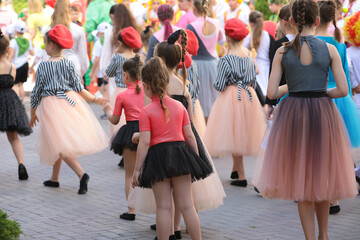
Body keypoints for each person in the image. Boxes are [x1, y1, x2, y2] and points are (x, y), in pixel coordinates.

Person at [253, 0, 358, 239]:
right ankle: (324, 235)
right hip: (323, 113)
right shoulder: (330, 49)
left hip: (293, 115)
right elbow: (343, 89)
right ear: (318, 20)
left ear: (291, 21)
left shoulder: (283, 50)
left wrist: (294, 87)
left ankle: (310, 238)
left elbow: (270, 93)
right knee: (323, 176)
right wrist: (322, 93)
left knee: (302, 183)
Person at [132, 56, 213, 240]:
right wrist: (197, 159)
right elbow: (190, 135)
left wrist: (137, 170)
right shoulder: (179, 106)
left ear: (146, 85)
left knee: (164, 207)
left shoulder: (146, 112)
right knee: (187, 205)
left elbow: (145, 142)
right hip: (180, 154)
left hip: (158, 158)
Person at [30, 24, 109, 194]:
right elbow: (79, 88)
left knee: (59, 144)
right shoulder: (69, 64)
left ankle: (82, 174)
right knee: (58, 139)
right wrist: (95, 99)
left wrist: (32, 112)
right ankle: (54, 178)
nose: (44, 48)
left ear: (51, 45)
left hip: (51, 105)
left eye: (45, 44)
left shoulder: (43, 66)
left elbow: (36, 91)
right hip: (68, 101)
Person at [205, 18, 266, 186]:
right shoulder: (249, 56)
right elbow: (254, 80)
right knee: (241, 133)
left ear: (228, 38)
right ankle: (234, 169)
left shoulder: (225, 59)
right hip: (249, 95)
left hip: (231, 96)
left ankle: (242, 176)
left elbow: (219, 84)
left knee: (234, 134)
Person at [104, 55, 144, 221]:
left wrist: (107, 109)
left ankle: (131, 209)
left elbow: (114, 119)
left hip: (130, 132)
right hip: (147, 130)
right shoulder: (147, 91)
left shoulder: (123, 96)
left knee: (130, 173)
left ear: (126, 75)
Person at [0, 30, 32, 180]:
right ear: (7, 49)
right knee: (13, 137)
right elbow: (11, 82)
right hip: (9, 101)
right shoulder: (12, 67)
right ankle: (21, 164)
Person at [187, 0, 226, 120]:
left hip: (197, 65)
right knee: (214, 97)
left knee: (199, 99)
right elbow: (222, 41)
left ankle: (201, 127)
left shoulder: (191, 26)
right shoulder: (216, 22)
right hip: (214, 64)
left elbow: (188, 47)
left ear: (194, 8)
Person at [105, 27, 142, 138]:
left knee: (120, 121)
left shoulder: (117, 58)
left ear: (120, 43)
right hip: (137, 90)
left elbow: (109, 73)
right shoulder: (138, 58)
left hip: (120, 91)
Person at [49, 0, 89, 79]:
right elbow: (83, 56)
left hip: (52, 68)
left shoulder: (48, 30)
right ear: (69, 11)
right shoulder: (78, 30)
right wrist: (81, 74)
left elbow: (45, 54)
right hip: (73, 67)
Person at [243, 11, 274, 104]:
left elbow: (243, 51)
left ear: (251, 24)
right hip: (267, 68)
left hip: (255, 67)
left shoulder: (250, 37)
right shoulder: (268, 36)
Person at [89, 22, 111, 119]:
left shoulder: (99, 43)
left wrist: (92, 72)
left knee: (103, 89)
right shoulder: (110, 42)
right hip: (109, 69)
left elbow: (97, 59)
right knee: (105, 89)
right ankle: (109, 109)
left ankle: (109, 110)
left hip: (102, 70)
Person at [8, 20, 34, 102]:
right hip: (25, 64)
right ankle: (22, 102)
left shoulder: (13, 41)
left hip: (16, 65)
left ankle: (16, 102)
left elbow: (11, 54)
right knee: (21, 85)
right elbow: (32, 53)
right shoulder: (28, 41)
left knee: (14, 85)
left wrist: (7, 64)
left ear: (16, 30)